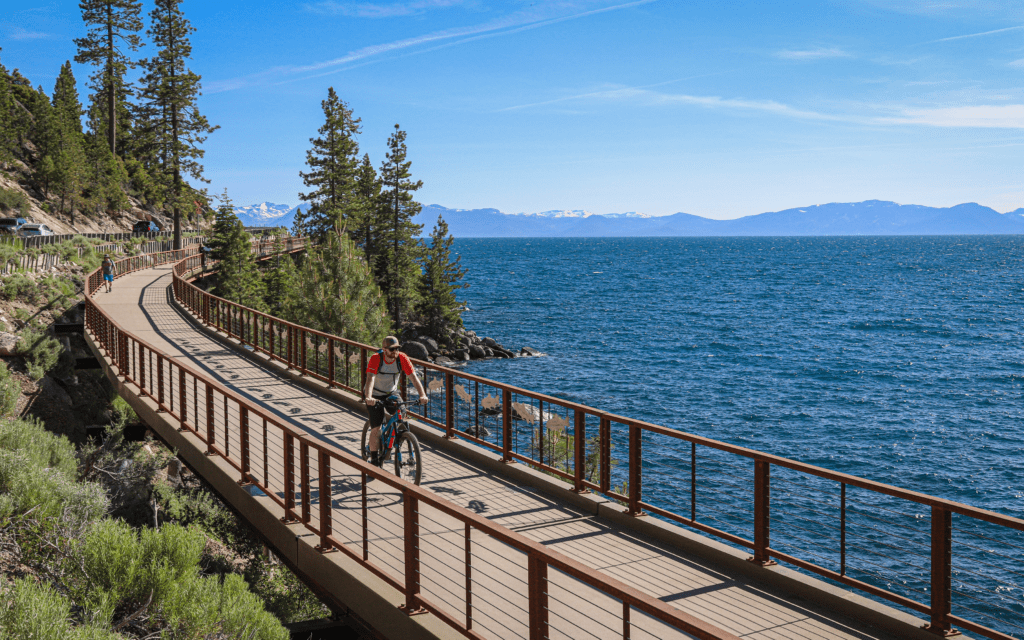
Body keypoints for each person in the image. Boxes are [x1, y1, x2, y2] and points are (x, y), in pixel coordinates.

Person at [363, 336, 428, 467]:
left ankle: (393, 438)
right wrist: (369, 397)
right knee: (376, 428)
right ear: (384, 349)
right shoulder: (376, 358)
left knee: (401, 413)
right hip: (374, 394)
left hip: (391, 393)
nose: (395, 352)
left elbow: (414, 378)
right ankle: (375, 459)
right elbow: (370, 379)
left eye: (397, 349)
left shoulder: (402, 358)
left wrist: (423, 395)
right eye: (392, 349)